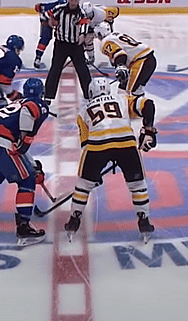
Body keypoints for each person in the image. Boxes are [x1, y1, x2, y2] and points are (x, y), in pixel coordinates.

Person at [64, 77, 157, 244]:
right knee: (137, 185)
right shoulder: (122, 99)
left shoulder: (83, 112)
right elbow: (148, 104)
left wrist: (94, 173)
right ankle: (144, 221)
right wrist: (148, 130)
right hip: (126, 144)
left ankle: (74, 220)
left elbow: (85, 144)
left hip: (96, 146)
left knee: (83, 185)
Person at [0, 77, 49, 247]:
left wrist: (31, 163)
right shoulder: (37, 104)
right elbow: (28, 113)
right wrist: (32, 168)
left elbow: (18, 145)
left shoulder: (16, 103)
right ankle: (24, 227)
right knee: (27, 180)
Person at [43, 0, 92, 102]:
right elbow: (47, 15)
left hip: (76, 46)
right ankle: (48, 96)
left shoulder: (82, 13)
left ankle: (89, 94)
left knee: (83, 70)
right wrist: (51, 22)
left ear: (78, 0)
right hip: (61, 45)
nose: (73, 2)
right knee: (55, 69)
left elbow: (84, 25)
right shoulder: (59, 9)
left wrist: (82, 35)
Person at [93, 21, 155, 97]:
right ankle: (140, 104)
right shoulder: (115, 35)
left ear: (100, 34)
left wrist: (120, 66)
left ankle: (130, 105)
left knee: (127, 92)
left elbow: (120, 54)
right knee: (134, 89)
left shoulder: (105, 42)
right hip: (148, 59)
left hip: (141, 61)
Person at [32, 0, 66, 69]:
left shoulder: (68, 8)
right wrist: (46, 19)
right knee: (45, 38)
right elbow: (38, 7)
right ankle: (38, 58)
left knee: (65, 38)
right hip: (47, 20)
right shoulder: (52, 7)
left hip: (58, 21)